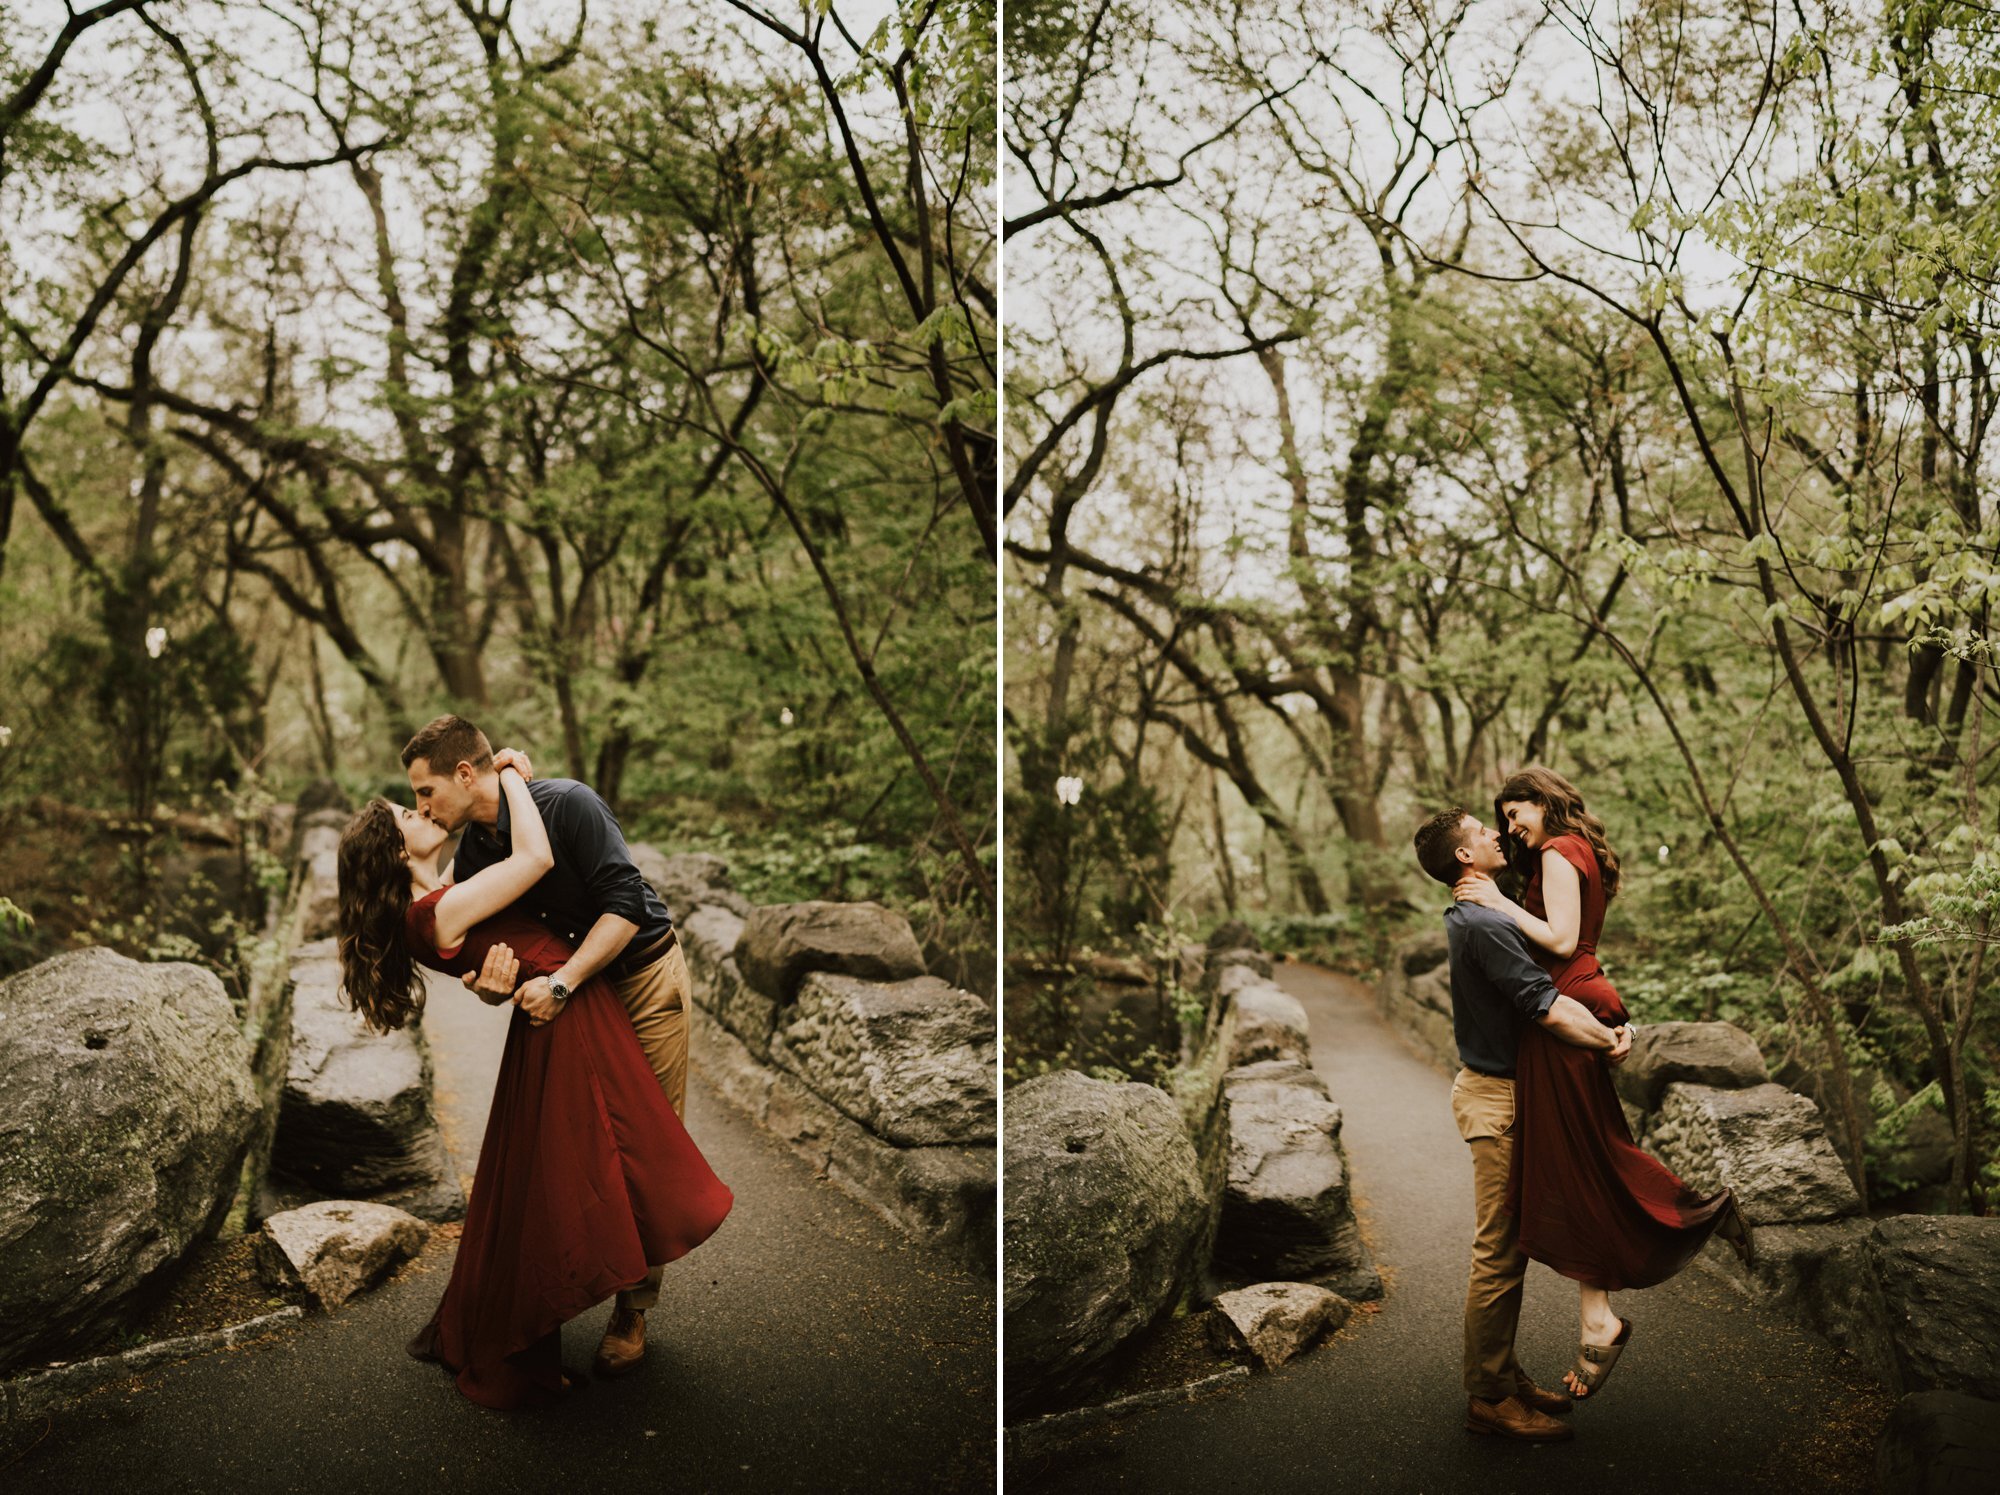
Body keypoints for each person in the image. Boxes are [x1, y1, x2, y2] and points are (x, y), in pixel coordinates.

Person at [335, 760, 731, 1408]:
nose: (423, 811)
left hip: (564, 1014)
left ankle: (598, 1307)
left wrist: (495, 983)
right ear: (395, 849)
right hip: (564, 1020)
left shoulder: (447, 892)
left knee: (560, 1176)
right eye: (409, 813)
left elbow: (512, 926)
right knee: (604, 1165)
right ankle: (548, 1316)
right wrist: (510, 771)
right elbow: (536, 855)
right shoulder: (438, 907)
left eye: (421, 797)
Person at [399, 714, 694, 1377]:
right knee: (572, 1151)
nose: (423, 807)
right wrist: (491, 986)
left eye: (425, 792)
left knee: (642, 1145)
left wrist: (562, 982)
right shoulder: (475, 851)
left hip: (641, 979)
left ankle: (632, 1309)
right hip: (574, 998)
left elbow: (625, 907)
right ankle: (566, 1285)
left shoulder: (569, 804)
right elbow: (493, 960)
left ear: (465, 773)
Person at [1454, 766, 1747, 1404]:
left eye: (1515, 812)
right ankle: (1597, 1317)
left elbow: (1561, 939)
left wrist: (1499, 903)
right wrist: (1603, 1012)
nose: (1510, 826)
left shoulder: (1560, 850)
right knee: (1579, 1153)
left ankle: (1690, 1215)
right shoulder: (1573, 851)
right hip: (1578, 996)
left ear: (1545, 801)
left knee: (1586, 1154)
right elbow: (1580, 944)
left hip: (1562, 1008)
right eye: (1501, 820)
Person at [1412, 805, 1633, 1443]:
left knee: (1510, 1251)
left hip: (1512, 1096)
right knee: (1500, 1255)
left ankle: (1504, 1377)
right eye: (1484, 830)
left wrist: (1613, 1024)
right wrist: (1608, 1040)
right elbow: (1546, 1008)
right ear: (1463, 858)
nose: (1496, 833)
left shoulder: (1482, 912)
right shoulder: (1481, 922)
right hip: (1498, 1100)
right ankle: (1488, 1398)